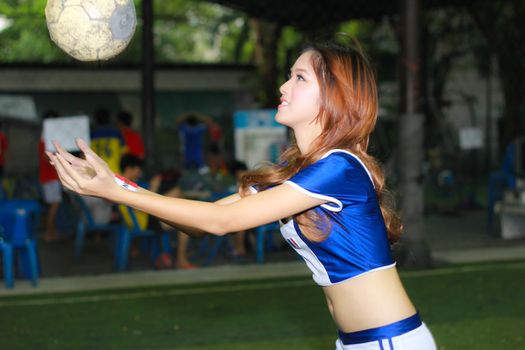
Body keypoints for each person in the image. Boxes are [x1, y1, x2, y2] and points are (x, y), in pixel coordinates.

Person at [48, 41, 437, 349]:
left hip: (390, 341)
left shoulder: (340, 168)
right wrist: (116, 186)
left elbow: (222, 223)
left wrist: (116, 192)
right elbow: (199, 223)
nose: (284, 86)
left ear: (335, 97)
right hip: (357, 342)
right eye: (289, 76)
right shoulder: (298, 176)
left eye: (299, 78)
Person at [118, 154, 197, 270]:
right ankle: (181, 260)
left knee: (178, 196)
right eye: (138, 169)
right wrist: (154, 188)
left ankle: (189, 209)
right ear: (130, 168)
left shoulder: (122, 182)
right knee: (185, 222)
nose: (140, 173)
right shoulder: (123, 184)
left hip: (144, 218)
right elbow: (141, 204)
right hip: (143, 221)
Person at [39, 110, 63, 242]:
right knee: (54, 205)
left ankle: (51, 232)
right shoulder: (46, 136)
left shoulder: (46, 135)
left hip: (49, 176)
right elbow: (46, 156)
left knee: (53, 205)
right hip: (50, 177)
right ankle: (49, 233)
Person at [90, 108, 127, 173]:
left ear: (96, 119)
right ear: (109, 118)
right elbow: (124, 152)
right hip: (114, 170)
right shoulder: (116, 133)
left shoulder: (92, 134)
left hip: (97, 171)